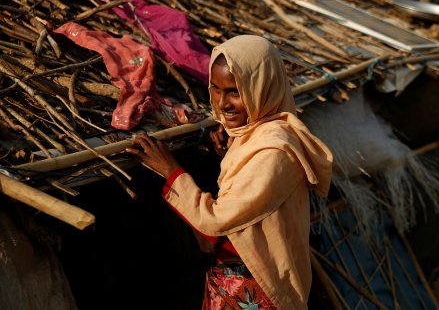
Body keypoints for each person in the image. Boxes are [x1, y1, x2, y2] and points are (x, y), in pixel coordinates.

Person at [125, 35, 333, 309]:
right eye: (216, 89)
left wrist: (172, 171)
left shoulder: (275, 151)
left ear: (261, 89)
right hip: (233, 283)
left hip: (256, 291)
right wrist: (227, 154)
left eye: (235, 91)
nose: (222, 103)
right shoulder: (252, 137)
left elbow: (218, 219)